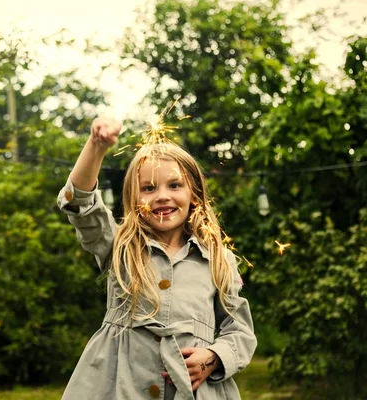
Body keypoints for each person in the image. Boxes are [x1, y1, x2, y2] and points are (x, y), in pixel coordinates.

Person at [57, 117, 257, 400]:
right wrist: (96, 146)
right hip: (118, 388)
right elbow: (80, 203)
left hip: (195, 391)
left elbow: (240, 330)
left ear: (194, 194)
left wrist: (214, 357)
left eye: (175, 185)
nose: (162, 196)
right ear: (133, 197)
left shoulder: (218, 259)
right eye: (149, 188)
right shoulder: (119, 246)